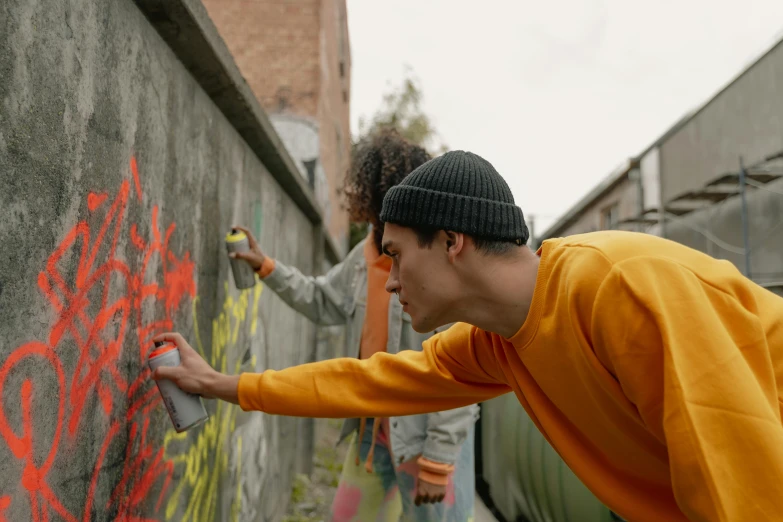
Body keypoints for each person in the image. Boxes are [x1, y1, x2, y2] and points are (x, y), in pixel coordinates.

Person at [152, 150, 783, 522]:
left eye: (397, 256)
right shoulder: (495, 342)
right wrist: (219, 384)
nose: (390, 282)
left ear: (452, 242)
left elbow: (745, 494)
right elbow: (366, 380)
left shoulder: (621, 287)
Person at [229, 130, 479, 522]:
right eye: (385, 200)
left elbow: (461, 368)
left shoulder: (440, 264)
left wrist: (439, 458)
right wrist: (267, 267)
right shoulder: (363, 257)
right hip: (373, 436)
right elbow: (321, 299)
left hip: (427, 440)